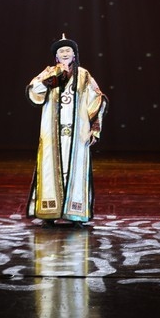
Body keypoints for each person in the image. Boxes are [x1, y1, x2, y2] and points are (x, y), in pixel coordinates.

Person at [26, 35, 108, 226]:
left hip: (78, 132)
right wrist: (53, 77)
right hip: (52, 133)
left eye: (68, 50)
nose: (64, 53)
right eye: (61, 51)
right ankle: (49, 214)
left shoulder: (84, 75)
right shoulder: (48, 72)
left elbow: (97, 99)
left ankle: (75, 214)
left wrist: (94, 128)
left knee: (76, 170)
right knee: (50, 169)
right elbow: (34, 91)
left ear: (74, 55)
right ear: (56, 56)